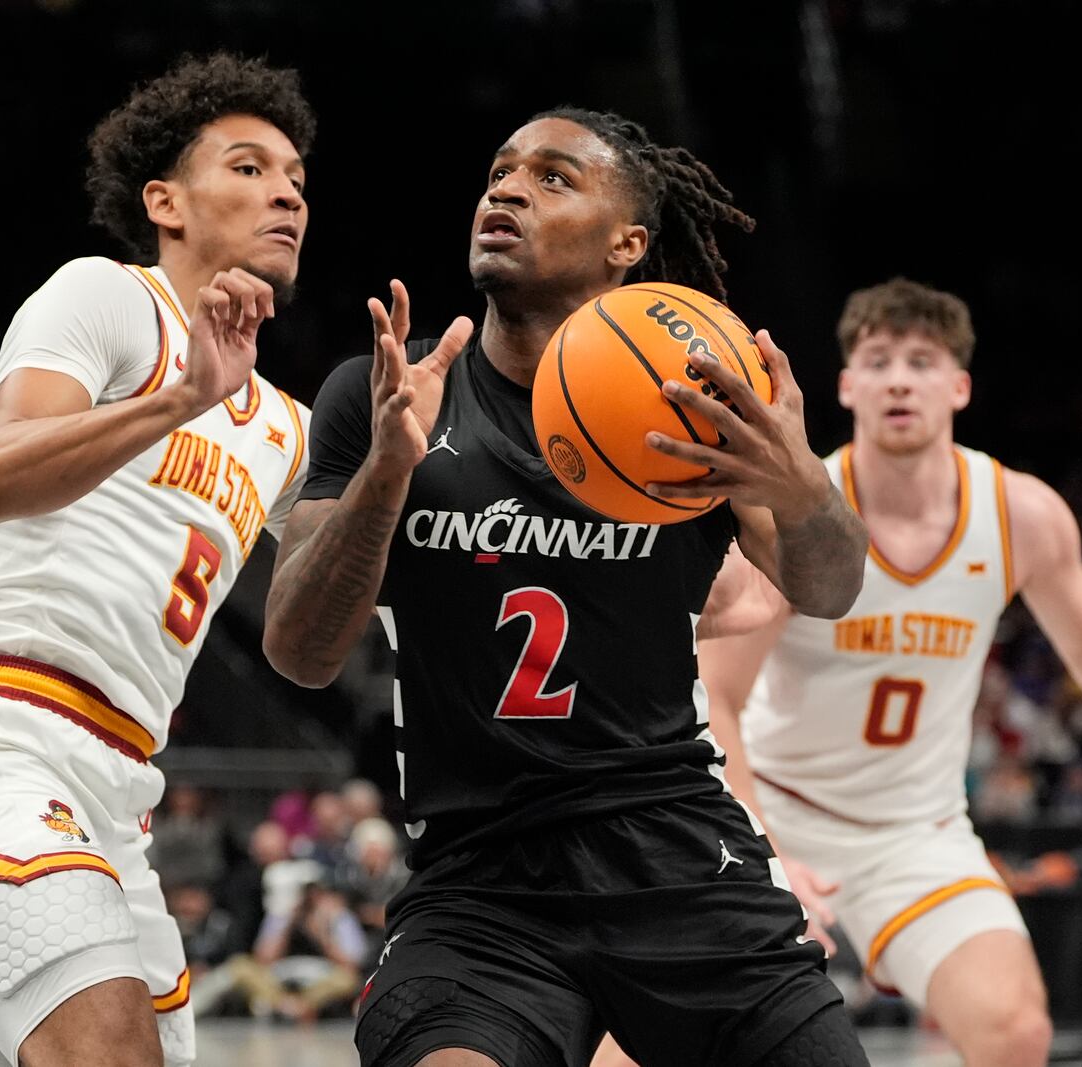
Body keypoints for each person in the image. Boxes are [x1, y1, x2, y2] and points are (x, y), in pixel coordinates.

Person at [263, 107, 871, 1067]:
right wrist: (386, 473)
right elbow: (298, 651)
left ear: (628, 243)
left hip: (678, 859)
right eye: (500, 171)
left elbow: (830, 585)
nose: (506, 189)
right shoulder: (385, 395)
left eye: (553, 178)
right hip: (480, 884)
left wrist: (798, 481)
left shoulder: (695, 398)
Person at [691, 278, 1082, 1067]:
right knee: (639, 1042)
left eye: (923, 360)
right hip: (778, 812)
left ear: (959, 385)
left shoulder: (1019, 513)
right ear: (846, 384)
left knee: (1015, 1030)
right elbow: (716, 698)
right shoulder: (793, 517)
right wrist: (764, 852)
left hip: (915, 831)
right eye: (879, 359)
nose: (900, 377)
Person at [0, 53, 315, 1067]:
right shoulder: (112, 299)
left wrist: (394, 460)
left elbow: (346, 616)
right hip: (2, 734)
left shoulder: (288, 428)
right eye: (247, 167)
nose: (285, 190)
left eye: (294, 175)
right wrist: (175, 401)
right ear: (164, 200)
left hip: (126, 787)